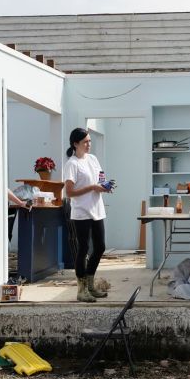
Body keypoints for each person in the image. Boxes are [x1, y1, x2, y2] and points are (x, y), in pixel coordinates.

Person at [63, 128, 111, 302]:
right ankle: (81, 290)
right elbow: (69, 192)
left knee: (100, 247)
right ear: (75, 144)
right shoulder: (72, 164)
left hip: (97, 210)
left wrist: (106, 186)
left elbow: (100, 179)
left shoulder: (93, 159)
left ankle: (90, 284)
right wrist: (92, 187)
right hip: (81, 212)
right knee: (83, 249)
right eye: (85, 142)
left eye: (90, 141)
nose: (89, 144)